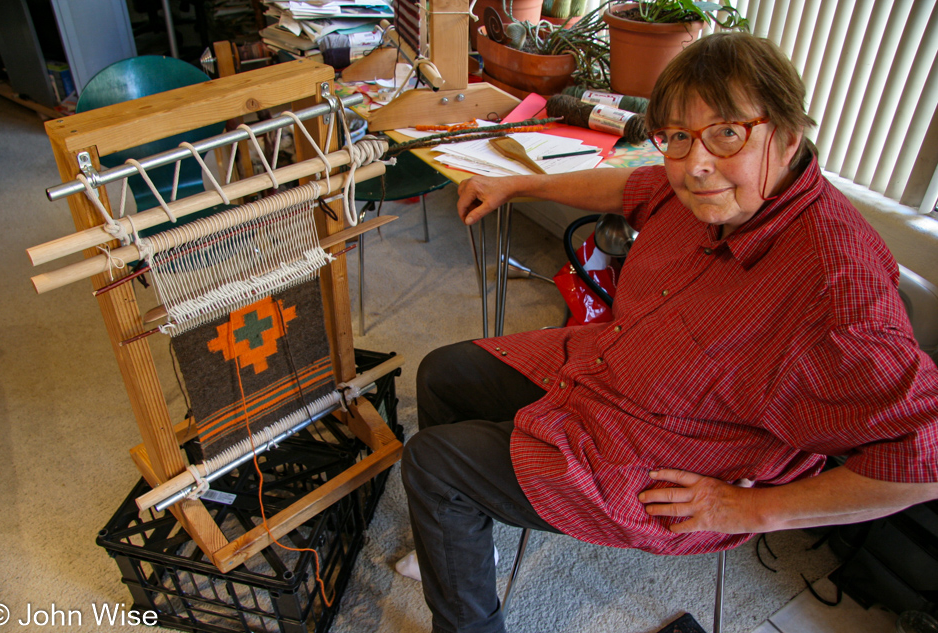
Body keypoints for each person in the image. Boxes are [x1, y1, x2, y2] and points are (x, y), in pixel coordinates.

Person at [400, 32, 938, 633]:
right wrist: (519, 184)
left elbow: (924, 461)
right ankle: (467, 538)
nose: (695, 165)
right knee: (443, 373)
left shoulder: (836, 289)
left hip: (663, 460)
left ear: (788, 137)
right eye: (678, 137)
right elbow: (634, 187)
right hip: (609, 367)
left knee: (433, 466)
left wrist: (747, 508)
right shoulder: (705, 188)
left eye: (727, 133)